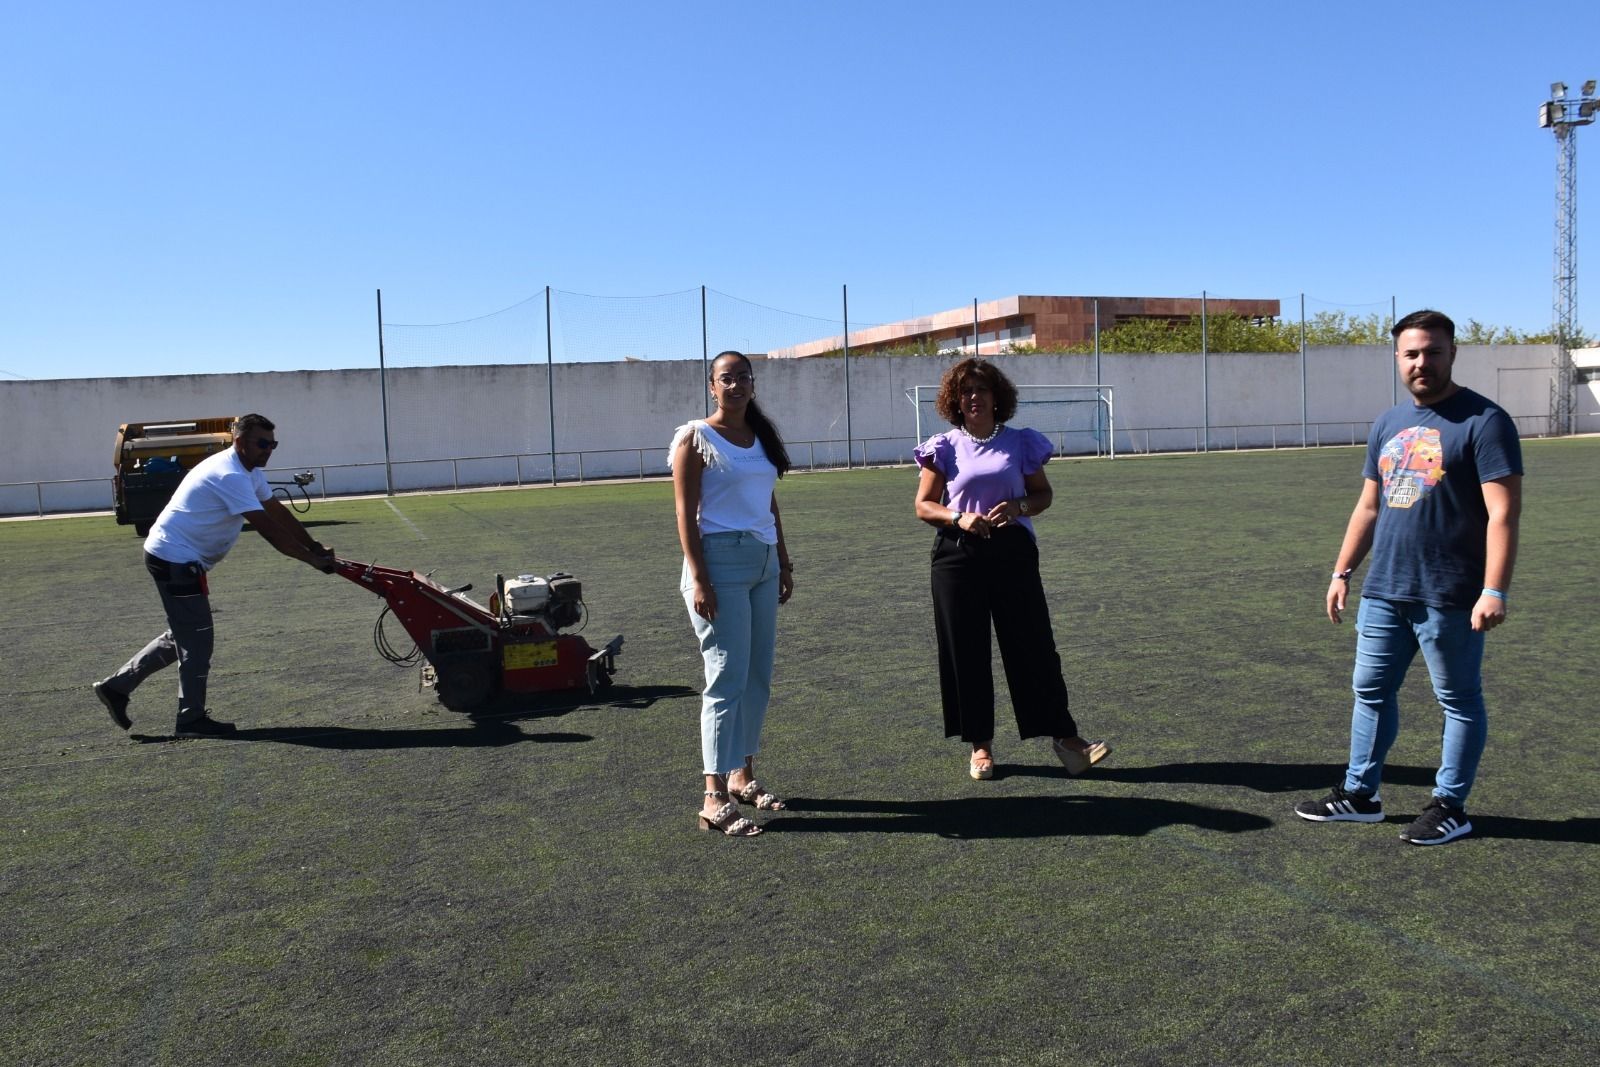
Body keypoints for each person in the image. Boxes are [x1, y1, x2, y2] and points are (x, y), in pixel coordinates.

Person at [1295, 310, 1522, 845]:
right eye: (1411, 353)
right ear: (1398, 359)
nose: (1422, 362)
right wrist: (1342, 571)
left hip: (1450, 593)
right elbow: (1368, 507)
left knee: (1458, 700)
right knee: (1370, 692)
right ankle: (1360, 796)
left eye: (1432, 352)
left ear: (1452, 353)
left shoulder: (1485, 421)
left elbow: (1504, 514)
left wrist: (1494, 589)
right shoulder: (1388, 423)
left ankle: (1450, 806)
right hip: (1384, 589)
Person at [912, 357, 1110, 781]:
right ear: (954, 400)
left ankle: (1065, 738)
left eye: (981, 389)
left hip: (1013, 553)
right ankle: (980, 744)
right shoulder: (943, 446)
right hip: (958, 555)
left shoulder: (1021, 442)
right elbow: (923, 505)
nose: (973, 397)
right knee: (966, 650)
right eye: (965, 391)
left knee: (1034, 645)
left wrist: (1020, 506)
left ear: (997, 397)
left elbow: (1042, 495)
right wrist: (959, 518)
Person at [93, 413, 337, 737]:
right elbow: (268, 530)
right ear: (240, 442)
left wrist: (314, 544)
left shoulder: (249, 472)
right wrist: (312, 561)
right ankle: (191, 720)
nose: (269, 450)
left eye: (273, 444)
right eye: (262, 444)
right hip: (175, 559)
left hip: (174, 556)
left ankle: (116, 687)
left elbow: (276, 511)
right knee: (198, 641)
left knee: (183, 635)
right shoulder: (230, 475)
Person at [670, 351, 795, 837]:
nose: (737, 385)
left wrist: (782, 560)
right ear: (712, 386)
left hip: (762, 561)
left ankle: (743, 775)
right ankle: (713, 796)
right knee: (725, 677)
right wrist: (699, 578)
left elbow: (768, 501)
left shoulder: (759, 436)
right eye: (727, 378)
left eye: (744, 377)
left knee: (757, 676)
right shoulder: (695, 438)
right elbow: (684, 514)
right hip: (718, 564)